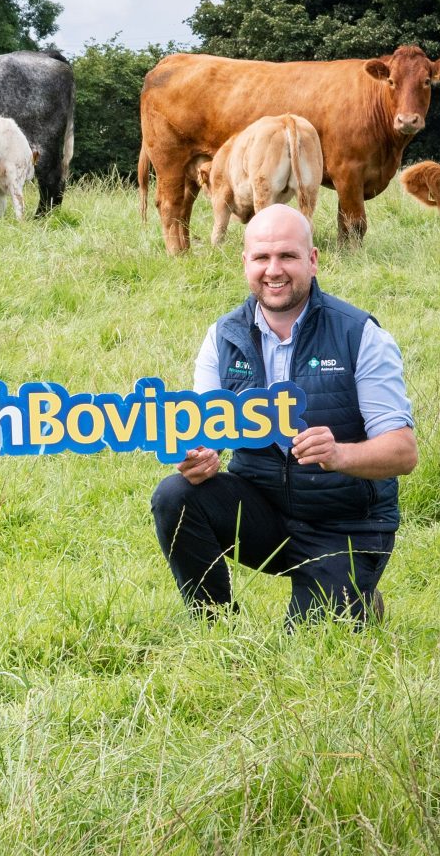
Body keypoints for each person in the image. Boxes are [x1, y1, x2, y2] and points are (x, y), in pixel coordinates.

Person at [150, 204, 417, 624]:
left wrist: (338, 454)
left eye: (288, 256)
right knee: (174, 495)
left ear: (312, 260)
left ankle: (358, 598)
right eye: (261, 257)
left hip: (344, 525)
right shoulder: (223, 337)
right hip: (265, 512)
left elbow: (403, 452)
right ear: (245, 263)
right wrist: (199, 458)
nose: (274, 270)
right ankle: (216, 626)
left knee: (311, 646)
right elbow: (205, 434)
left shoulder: (359, 334)